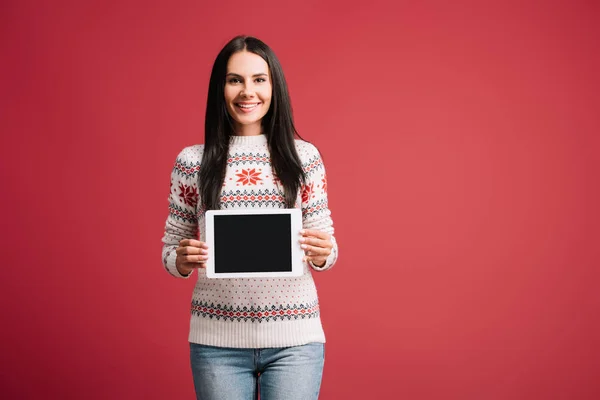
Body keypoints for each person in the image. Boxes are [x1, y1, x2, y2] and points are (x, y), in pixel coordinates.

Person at [161, 35, 338, 400]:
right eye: (234, 79)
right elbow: (170, 250)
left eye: (259, 79)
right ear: (220, 88)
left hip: (296, 340)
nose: (248, 92)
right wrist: (179, 259)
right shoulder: (192, 162)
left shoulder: (305, 158)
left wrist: (323, 252)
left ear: (274, 86)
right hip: (216, 342)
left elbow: (325, 246)